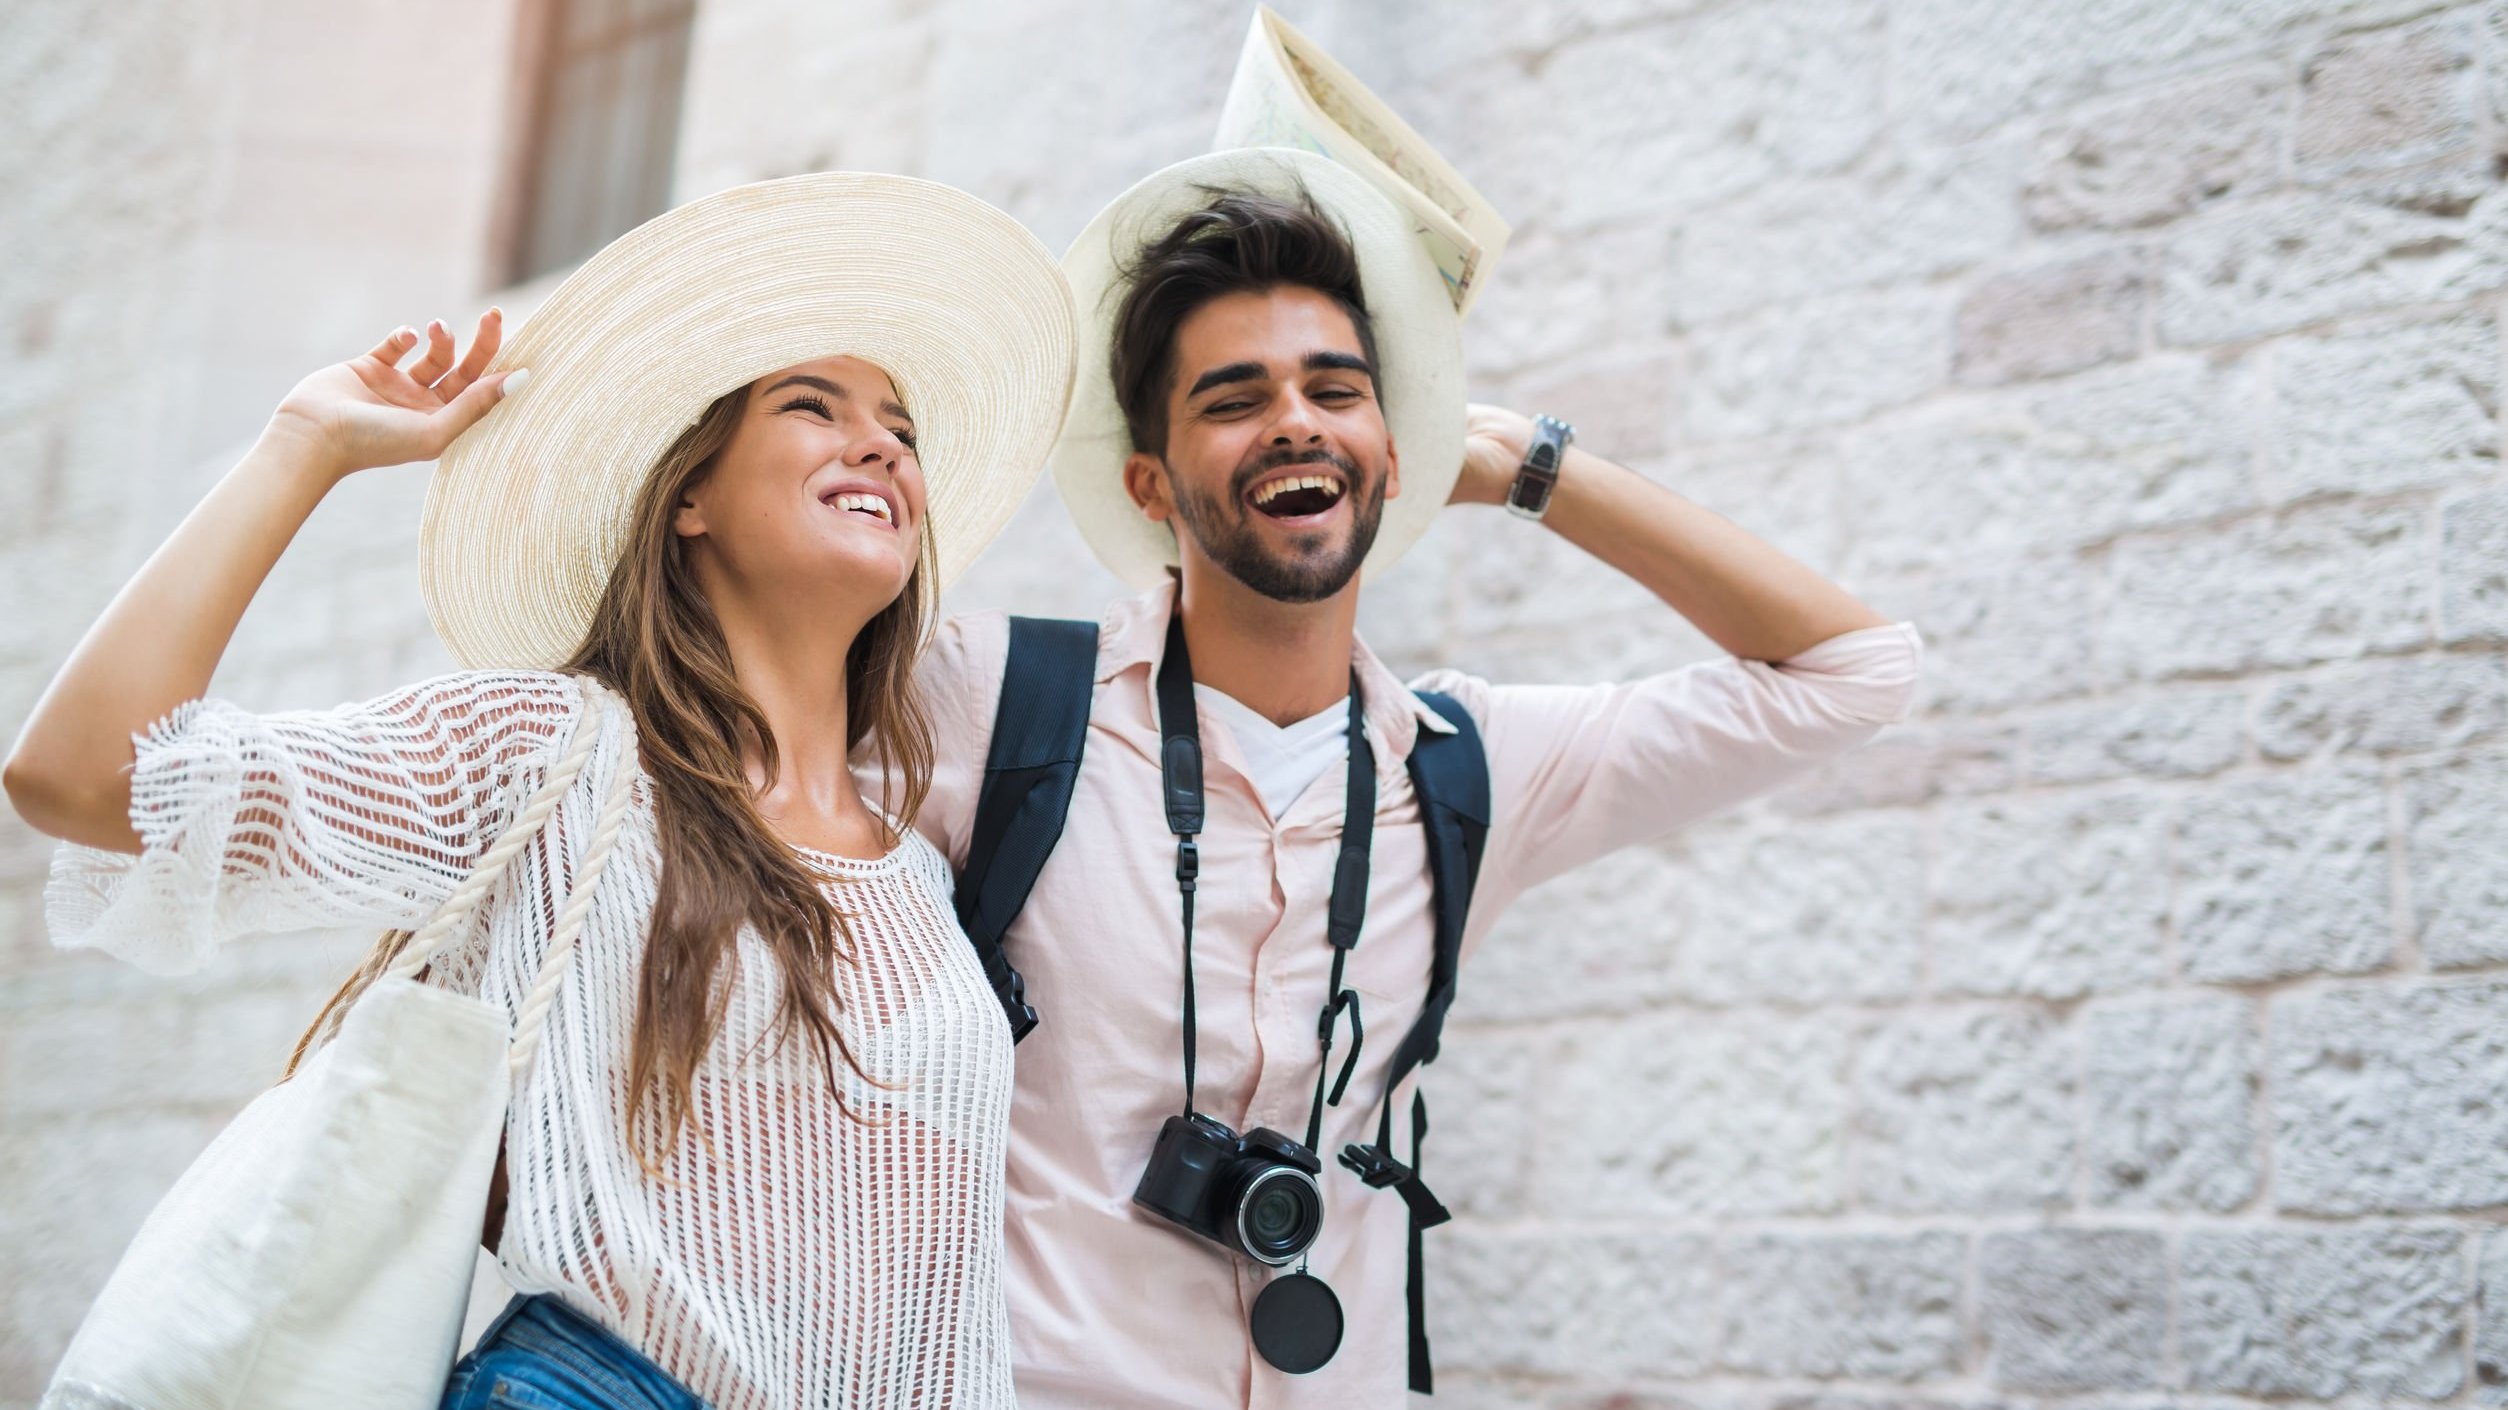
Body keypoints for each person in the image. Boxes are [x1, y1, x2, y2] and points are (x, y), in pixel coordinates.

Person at [5, 172, 1074, 1410]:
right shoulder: (552, 754)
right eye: (812, 404)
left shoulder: (922, 874)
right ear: (689, 498)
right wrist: (302, 448)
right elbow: (85, 777)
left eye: (901, 425)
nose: (882, 440)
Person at [885, 150, 1926, 1407]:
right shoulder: (988, 699)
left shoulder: (1466, 768)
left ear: (1388, 455)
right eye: (1231, 399)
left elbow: (1854, 671)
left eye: (1338, 390)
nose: (1294, 421)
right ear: (1149, 484)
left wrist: (1529, 470)